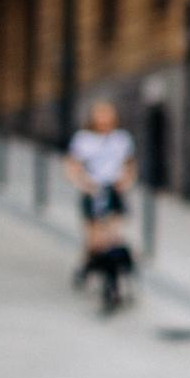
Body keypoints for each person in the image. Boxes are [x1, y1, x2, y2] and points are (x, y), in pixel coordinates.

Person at [64, 101, 137, 311]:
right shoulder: (84, 140)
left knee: (112, 239)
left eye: (107, 116)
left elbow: (130, 164)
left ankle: (111, 286)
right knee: (94, 242)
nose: (104, 120)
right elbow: (72, 165)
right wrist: (83, 184)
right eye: (100, 116)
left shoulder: (121, 139)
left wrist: (126, 181)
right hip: (93, 190)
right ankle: (88, 266)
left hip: (113, 191)